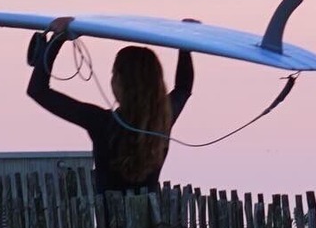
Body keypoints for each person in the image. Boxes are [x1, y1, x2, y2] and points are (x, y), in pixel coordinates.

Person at [26, 17, 196, 193]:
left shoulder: (101, 122)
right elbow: (183, 87)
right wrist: (184, 42)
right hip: (151, 218)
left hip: (109, 219)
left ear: (120, 83)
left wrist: (57, 39)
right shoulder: (163, 121)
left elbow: (37, 91)